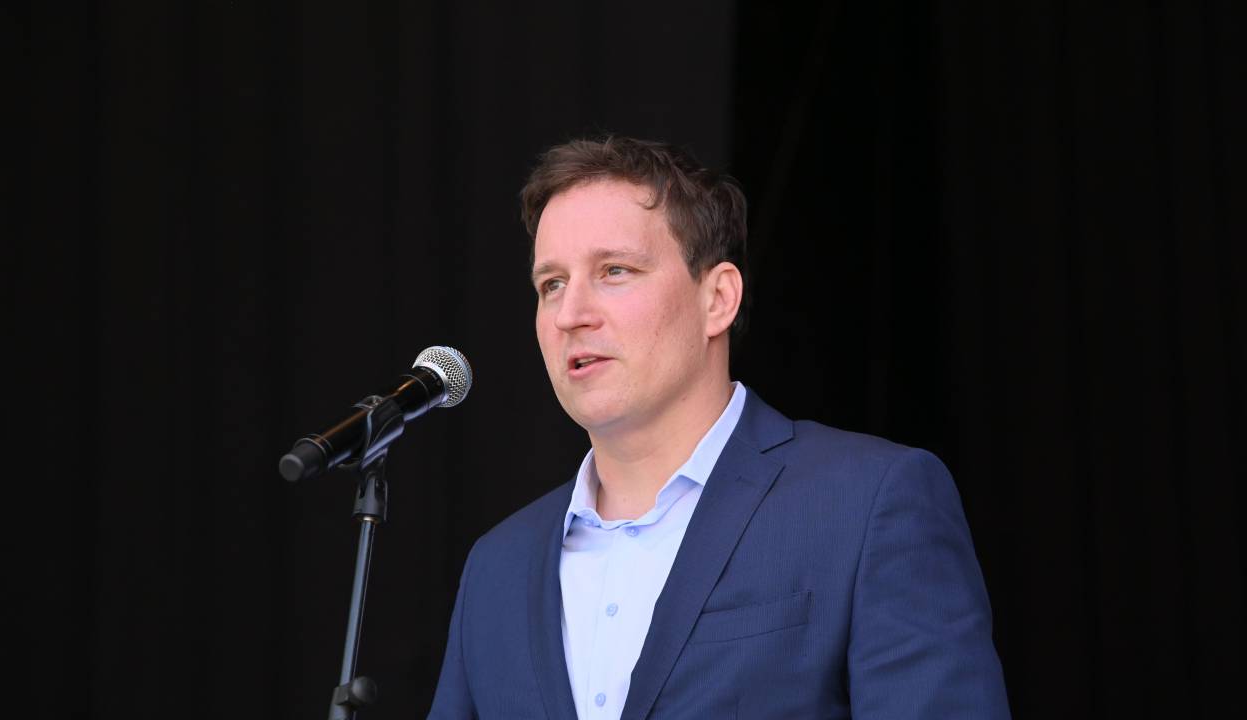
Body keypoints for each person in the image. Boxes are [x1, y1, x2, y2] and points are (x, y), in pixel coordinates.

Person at [428, 137, 1009, 719]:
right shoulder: (497, 567)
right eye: (551, 284)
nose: (570, 314)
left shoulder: (867, 501)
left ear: (718, 299)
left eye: (614, 271)